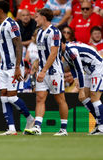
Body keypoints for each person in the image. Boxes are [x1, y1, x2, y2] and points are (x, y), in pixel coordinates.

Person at [24, 8, 69, 136]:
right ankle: (37, 127)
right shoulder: (39, 33)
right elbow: (43, 53)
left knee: (60, 99)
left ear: (44, 17)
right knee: (40, 98)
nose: (35, 19)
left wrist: (44, 70)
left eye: (37, 16)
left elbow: (54, 53)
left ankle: (64, 129)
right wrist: (38, 63)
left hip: (54, 72)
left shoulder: (55, 32)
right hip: (42, 71)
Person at [0, 0, 34, 135]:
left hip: (13, 67)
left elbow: (19, 45)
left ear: (1, 11)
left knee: (11, 97)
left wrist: (17, 67)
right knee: (3, 97)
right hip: (3, 67)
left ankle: (30, 118)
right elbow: (1, 48)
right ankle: (11, 128)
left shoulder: (11, 24)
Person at [61, 41, 103, 135]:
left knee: (94, 97)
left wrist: (80, 89)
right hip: (88, 69)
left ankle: (102, 126)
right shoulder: (64, 51)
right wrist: (76, 80)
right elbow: (72, 66)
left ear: (62, 43)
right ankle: (99, 122)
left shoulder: (72, 51)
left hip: (97, 67)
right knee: (83, 97)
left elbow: (79, 69)